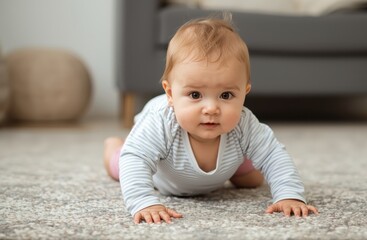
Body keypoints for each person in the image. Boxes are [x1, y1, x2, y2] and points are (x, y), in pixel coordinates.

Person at [104, 15, 318, 224]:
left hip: (228, 158)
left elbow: (274, 156)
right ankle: (114, 147)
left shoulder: (244, 123)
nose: (211, 108)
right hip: (164, 177)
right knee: (122, 167)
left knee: (253, 181)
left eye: (226, 95)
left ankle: (236, 165)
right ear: (170, 94)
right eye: (195, 95)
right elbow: (137, 159)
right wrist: (144, 202)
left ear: (245, 92)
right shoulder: (161, 122)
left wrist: (289, 195)